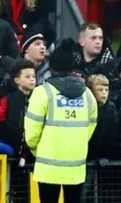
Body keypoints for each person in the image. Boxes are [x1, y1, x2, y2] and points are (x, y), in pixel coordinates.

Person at [24, 38, 98, 203]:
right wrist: (77, 143)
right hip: (76, 166)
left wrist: (38, 151)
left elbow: (31, 132)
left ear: (52, 68)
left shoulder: (42, 93)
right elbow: (91, 125)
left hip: (48, 167)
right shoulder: (87, 95)